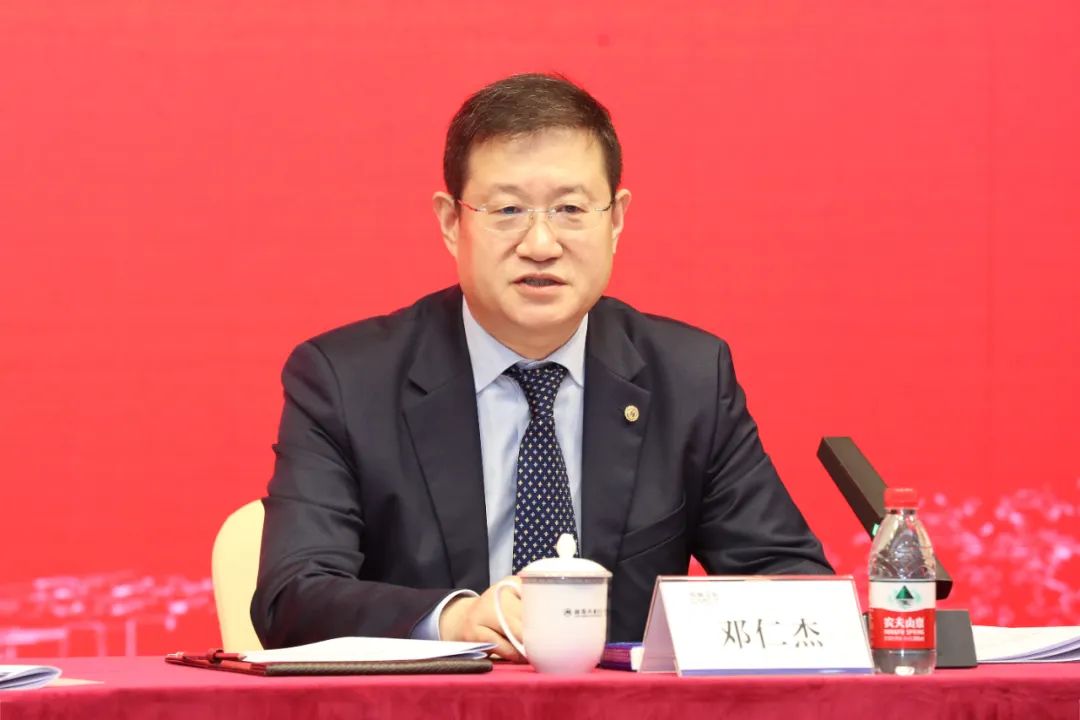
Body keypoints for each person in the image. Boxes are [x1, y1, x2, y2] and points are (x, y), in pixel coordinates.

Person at [251, 73, 831, 659]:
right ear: (451, 223)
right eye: (508, 210)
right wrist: (454, 620)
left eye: (570, 209)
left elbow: (793, 585)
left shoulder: (688, 377)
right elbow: (293, 595)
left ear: (616, 220)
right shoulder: (347, 381)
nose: (541, 244)